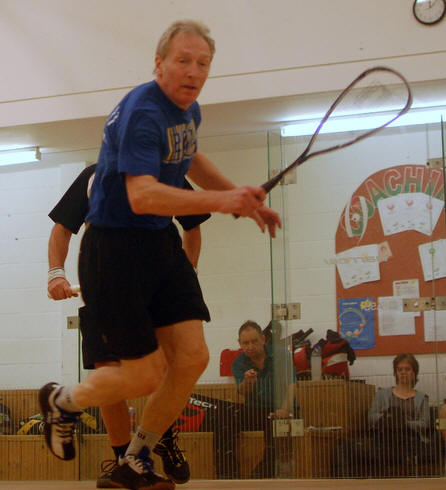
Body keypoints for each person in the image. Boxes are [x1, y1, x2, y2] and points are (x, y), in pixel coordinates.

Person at [39, 19, 281, 490]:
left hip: (160, 246)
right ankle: (61, 401)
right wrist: (224, 201)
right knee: (144, 375)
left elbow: (191, 157)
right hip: (115, 250)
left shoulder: (187, 111)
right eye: (183, 60)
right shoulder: (143, 113)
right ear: (159, 64)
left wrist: (244, 199)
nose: (193, 71)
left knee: (192, 357)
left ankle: (136, 458)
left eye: (203, 63)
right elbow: (143, 196)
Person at [47, 164, 211, 487]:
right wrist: (56, 273)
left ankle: (143, 450)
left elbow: (193, 224)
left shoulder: (171, 166)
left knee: (188, 359)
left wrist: (189, 272)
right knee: (121, 370)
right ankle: (125, 455)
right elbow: (62, 227)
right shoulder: (95, 175)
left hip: (166, 266)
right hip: (110, 270)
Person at [214, 320, 297, 479]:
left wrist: (285, 408)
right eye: (245, 343)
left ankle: (262, 475)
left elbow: (292, 385)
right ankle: (227, 473)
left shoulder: (282, 355)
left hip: (281, 411)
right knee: (224, 416)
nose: (250, 346)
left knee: (275, 425)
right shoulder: (238, 363)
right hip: (256, 411)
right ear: (239, 343)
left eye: (254, 341)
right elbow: (243, 392)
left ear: (263, 339)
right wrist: (248, 382)